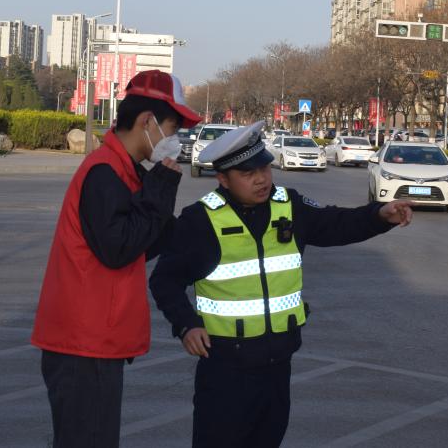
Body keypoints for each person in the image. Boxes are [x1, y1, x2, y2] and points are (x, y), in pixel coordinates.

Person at [149, 121, 413, 448]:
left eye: (264, 168)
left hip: (277, 367)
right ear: (223, 179)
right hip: (225, 372)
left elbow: (336, 224)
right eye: (247, 173)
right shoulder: (200, 220)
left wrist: (379, 216)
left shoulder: (289, 205)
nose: (261, 179)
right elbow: (165, 280)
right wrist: (186, 325)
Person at [31, 70, 201, 448]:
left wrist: (186, 226)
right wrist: (160, 188)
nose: (174, 141)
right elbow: (119, 249)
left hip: (92, 342)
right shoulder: (104, 173)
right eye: (172, 130)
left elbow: (144, 243)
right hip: (82, 345)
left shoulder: (123, 172)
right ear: (147, 122)